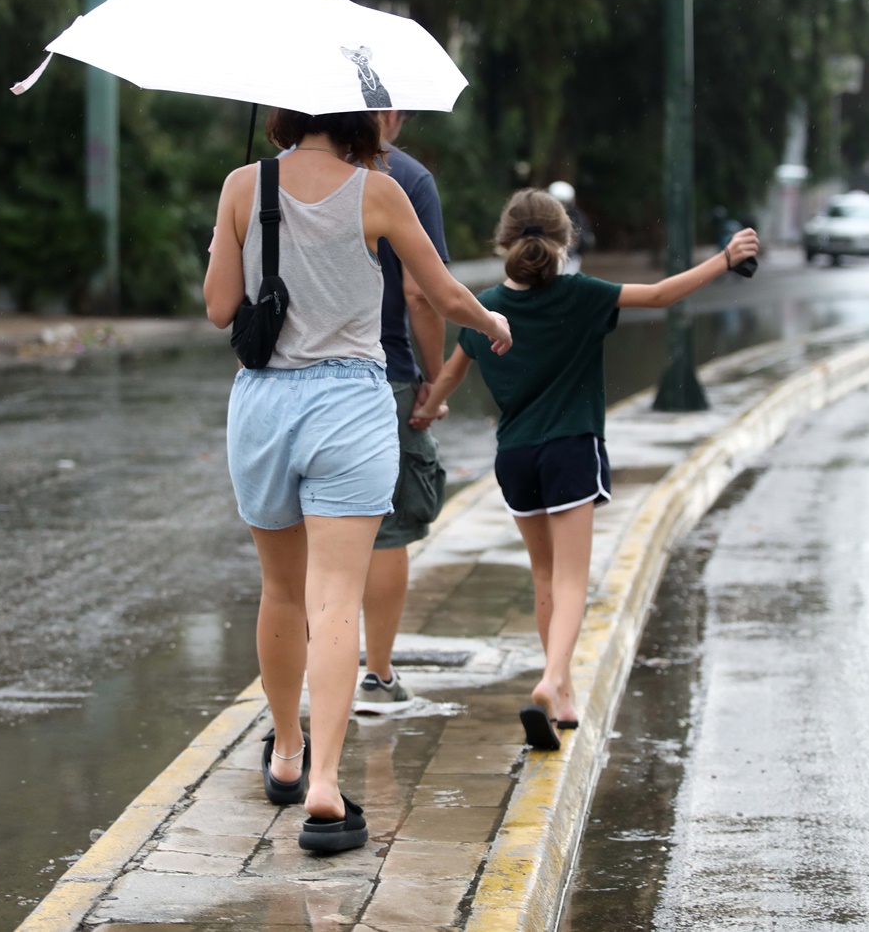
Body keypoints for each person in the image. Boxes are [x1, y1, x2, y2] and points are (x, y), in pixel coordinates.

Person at [203, 108, 511, 852]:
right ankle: (325, 785)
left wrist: (250, 244)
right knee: (335, 594)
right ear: (356, 114)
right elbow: (440, 292)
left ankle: (284, 751)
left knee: (280, 589)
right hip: (349, 403)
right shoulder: (379, 191)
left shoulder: (244, 186)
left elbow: (219, 309)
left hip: (265, 404)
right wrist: (493, 325)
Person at [412, 189, 757, 752]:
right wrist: (724, 259)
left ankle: (564, 694)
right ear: (565, 239)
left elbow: (449, 376)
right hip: (571, 449)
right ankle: (550, 679)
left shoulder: (486, 308)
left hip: (516, 458)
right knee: (574, 580)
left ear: (503, 242)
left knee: (545, 577)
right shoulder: (583, 295)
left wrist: (425, 413)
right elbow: (664, 295)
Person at [356, 110, 449, 712]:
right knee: (383, 534)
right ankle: (378, 674)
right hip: (380, 372)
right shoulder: (405, 179)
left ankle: (293, 707)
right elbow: (423, 290)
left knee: (303, 545)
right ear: (387, 113)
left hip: (284, 378)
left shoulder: (264, 181)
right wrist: (435, 378)